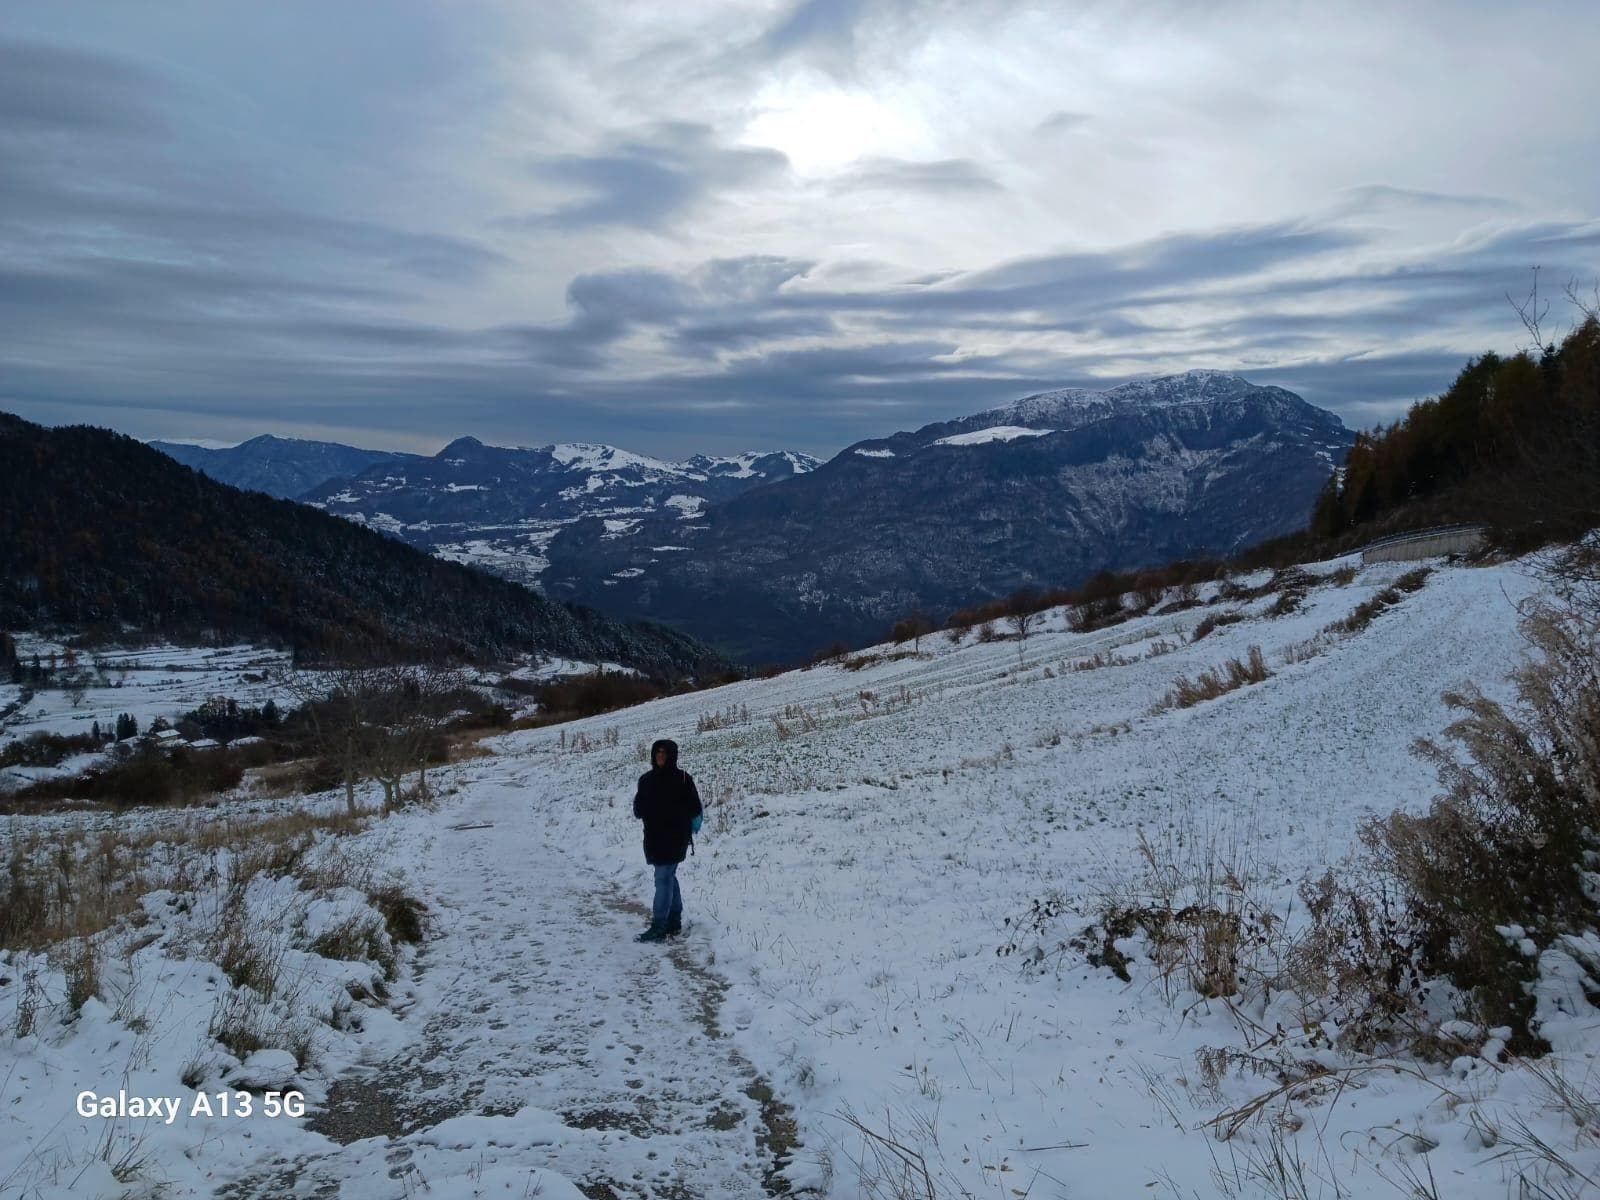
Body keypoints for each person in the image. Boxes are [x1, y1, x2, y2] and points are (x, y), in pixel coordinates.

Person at [632, 738, 703, 942]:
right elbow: (638, 809)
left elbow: (695, 807)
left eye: (664, 752)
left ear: (672, 755)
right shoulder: (646, 780)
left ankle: (659, 924)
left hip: (675, 837)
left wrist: (677, 815)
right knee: (668, 877)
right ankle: (674, 920)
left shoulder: (682, 779)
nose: (661, 756)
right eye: (657, 752)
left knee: (662, 878)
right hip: (654, 838)